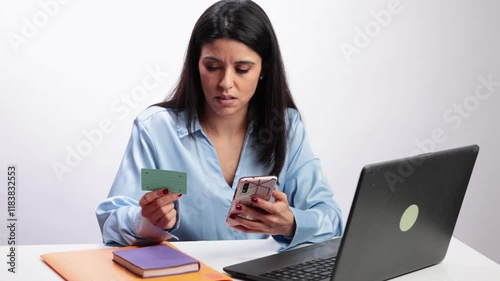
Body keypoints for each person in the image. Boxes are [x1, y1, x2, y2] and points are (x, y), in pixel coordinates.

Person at [96, 0, 343, 250]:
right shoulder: (156, 129)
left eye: (242, 69)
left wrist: (290, 223)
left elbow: (331, 218)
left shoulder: (286, 126)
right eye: (212, 67)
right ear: (196, 65)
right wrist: (145, 222)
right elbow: (110, 221)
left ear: (263, 69)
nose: (225, 83)